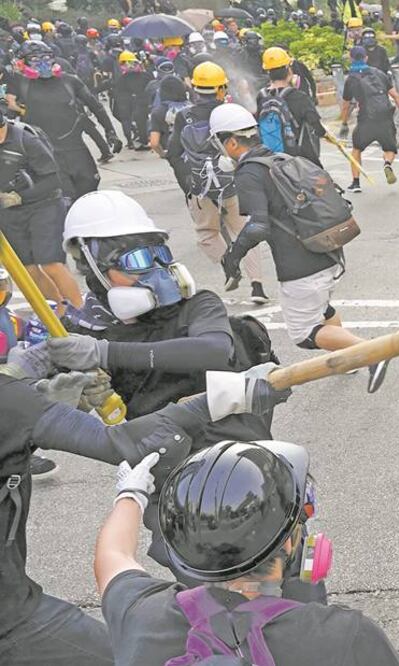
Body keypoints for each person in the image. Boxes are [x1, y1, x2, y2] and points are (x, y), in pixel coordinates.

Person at [0, 338, 286, 666]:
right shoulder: (8, 399)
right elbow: (126, 443)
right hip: (11, 616)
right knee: (134, 657)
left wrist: (28, 398)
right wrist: (228, 397)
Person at [96, 439, 399, 666]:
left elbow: (112, 556)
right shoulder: (342, 636)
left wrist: (131, 493)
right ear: (290, 544)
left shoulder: (139, 614)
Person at [211, 103, 388, 391]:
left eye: (219, 142)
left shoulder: (249, 173)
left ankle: (370, 353)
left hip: (301, 265)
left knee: (304, 333)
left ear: (231, 142)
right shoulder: (278, 159)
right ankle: (349, 359)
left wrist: (233, 255)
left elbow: (258, 226)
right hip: (327, 251)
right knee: (321, 308)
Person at [166, 61, 270, 304]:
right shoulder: (232, 112)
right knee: (244, 230)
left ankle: (228, 264)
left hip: (201, 188)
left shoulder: (184, 116)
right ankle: (258, 286)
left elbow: (173, 153)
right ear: (221, 88)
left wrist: (188, 183)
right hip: (233, 182)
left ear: (194, 87)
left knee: (207, 234)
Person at [6, 40, 121, 199]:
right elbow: (6, 117)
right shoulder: (18, 84)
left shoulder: (70, 81)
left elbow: (96, 106)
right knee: (62, 196)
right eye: (35, 59)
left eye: (46, 58)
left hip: (75, 147)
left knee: (90, 188)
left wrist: (110, 131)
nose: (43, 63)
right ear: (22, 62)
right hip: (44, 152)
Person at [0, 113, 84, 307]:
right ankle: (59, 311)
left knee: (51, 265)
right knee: (27, 270)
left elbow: (53, 180)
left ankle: (81, 309)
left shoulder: (25, 140)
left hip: (43, 206)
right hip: (9, 212)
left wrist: (20, 197)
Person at [339, 47, 399, 189]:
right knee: (389, 148)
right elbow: (395, 95)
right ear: (366, 58)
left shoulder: (351, 79)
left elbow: (345, 105)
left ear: (351, 59)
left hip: (366, 119)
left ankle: (355, 183)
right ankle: (387, 164)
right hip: (385, 117)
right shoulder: (379, 73)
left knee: (356, 149)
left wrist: (344, 123)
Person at [256, 46, 329, 166]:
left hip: (272, 158)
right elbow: (315, 124)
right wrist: (324, 134)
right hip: (300, 156)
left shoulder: (261, 95)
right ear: (288, 70)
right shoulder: (299, 96)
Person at [113, 50, 152, 150]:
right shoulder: (144, 75)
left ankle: (130, 142)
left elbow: (116, 87)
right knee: (142, 119)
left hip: (124, 99)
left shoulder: (121, 76)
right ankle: (144, 139)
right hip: (140, 99)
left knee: (126, 120)